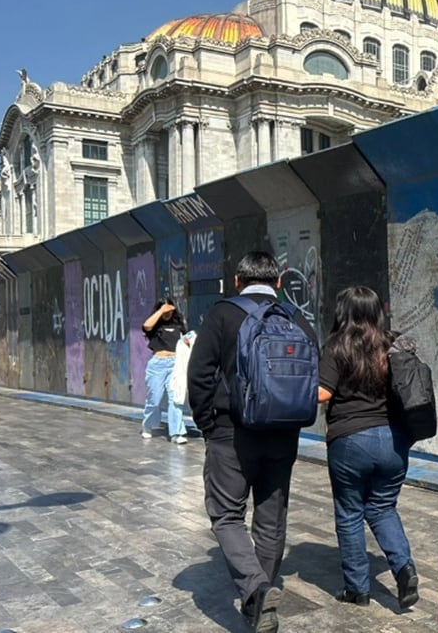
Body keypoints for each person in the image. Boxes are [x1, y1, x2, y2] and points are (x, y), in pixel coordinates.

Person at [187, 251, 317, 633]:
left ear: (237, 281)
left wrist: (207, 425)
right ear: (278, 283)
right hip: (284, 434)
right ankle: (259, 602)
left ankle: (256, 589)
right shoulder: (296, 318)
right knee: (271, 519)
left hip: (231, 432)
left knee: (226, 514)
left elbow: (199, 375)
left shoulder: (223, 314)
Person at [317, 285, 419, 610]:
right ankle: (404, 568)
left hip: (350, 441)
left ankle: (357, 590)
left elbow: (322, 393)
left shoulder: (337, 345)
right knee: (383, 507)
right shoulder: (392, 345)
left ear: (342, 312)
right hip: (393, 441)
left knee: (350, 513)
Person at [141, 297, 189, 444]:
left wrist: (186, 341)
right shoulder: (155, 325)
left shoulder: (179, 325)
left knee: (175, 398)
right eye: (164, 309)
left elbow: (185, 340)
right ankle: (147, 425)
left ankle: (177, 433)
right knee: (154, 398)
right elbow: (146, 326)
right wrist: (161, 311)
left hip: (174, 364)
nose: (167, 313)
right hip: (158, 365)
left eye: (169, 309)